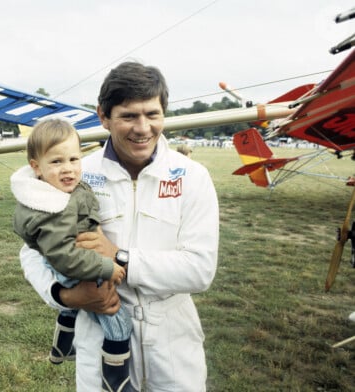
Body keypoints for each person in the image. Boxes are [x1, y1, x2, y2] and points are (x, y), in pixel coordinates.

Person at [20, 61, 219, 391]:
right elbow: (32, 253)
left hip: (173, 342)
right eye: (128, 116)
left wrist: (120, 257)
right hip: (100, 333)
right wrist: (66, 296)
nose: (143, 128)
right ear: (103, 116)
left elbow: (200, 270)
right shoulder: (76, 173)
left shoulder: (192, 176)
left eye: (152, 114)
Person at [10, 118, 135, 391]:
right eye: (56, 162)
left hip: (76, 261)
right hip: (75, 266)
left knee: (72, 309)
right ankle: (116, 380)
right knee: (118, 322)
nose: (67, 169)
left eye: (73, 159)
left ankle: (62, 345)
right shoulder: (51, 205)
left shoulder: (59, 189)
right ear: (36, 167)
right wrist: (105, 267)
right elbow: (65, 257)